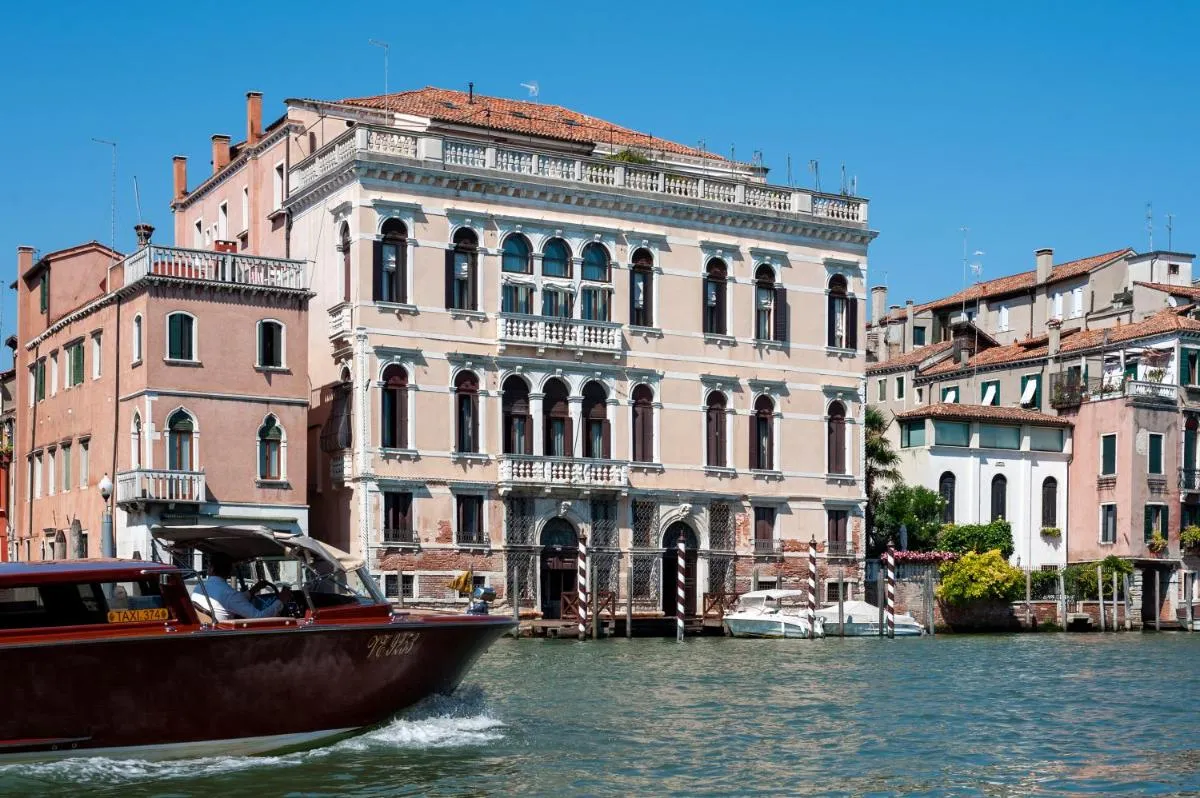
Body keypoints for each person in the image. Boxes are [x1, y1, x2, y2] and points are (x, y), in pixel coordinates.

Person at [195, 554, 293, 621]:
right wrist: (280, 601)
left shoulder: (198, 588)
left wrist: (253, 590)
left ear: (211, 569)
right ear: (230, 572)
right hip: (225, 640)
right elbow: (259, 618)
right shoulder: (229, 594)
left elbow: (233, 600)